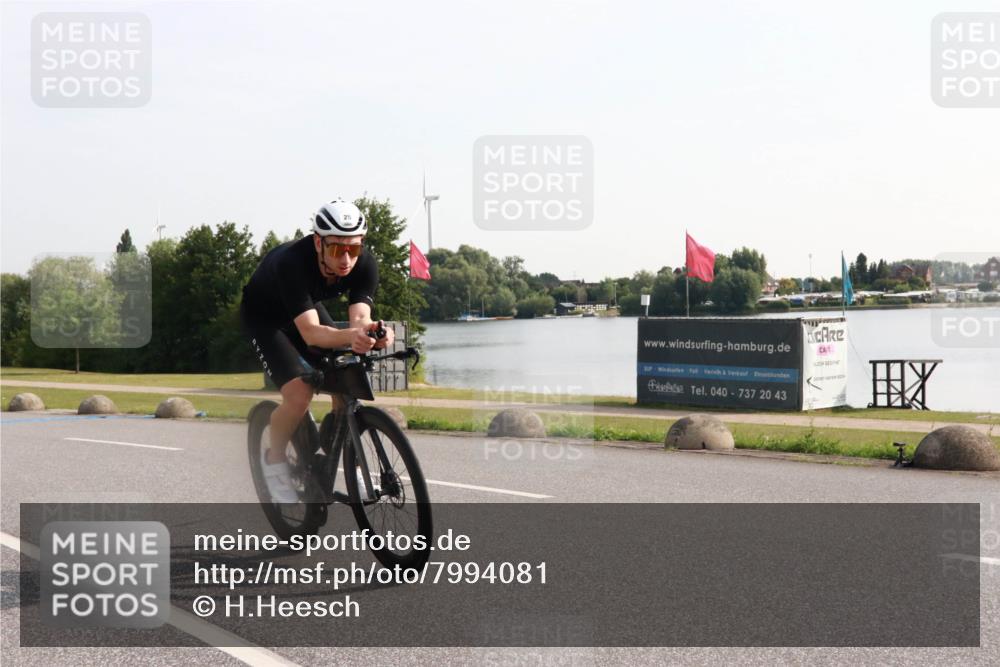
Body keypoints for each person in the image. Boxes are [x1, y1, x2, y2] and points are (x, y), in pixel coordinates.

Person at [240, 198, 394, 502]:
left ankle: (352, 467)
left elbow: (359, 320)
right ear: (318, 243)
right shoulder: (293, 263)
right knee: (299, 395)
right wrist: (353, 335)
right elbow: (311, 334)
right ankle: (274, 461)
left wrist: (375, 334)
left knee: (347, 378)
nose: (346, 259)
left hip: (305, 311)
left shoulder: (364, 264)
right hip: (265, 318)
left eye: (354, 248)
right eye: (337, 249)